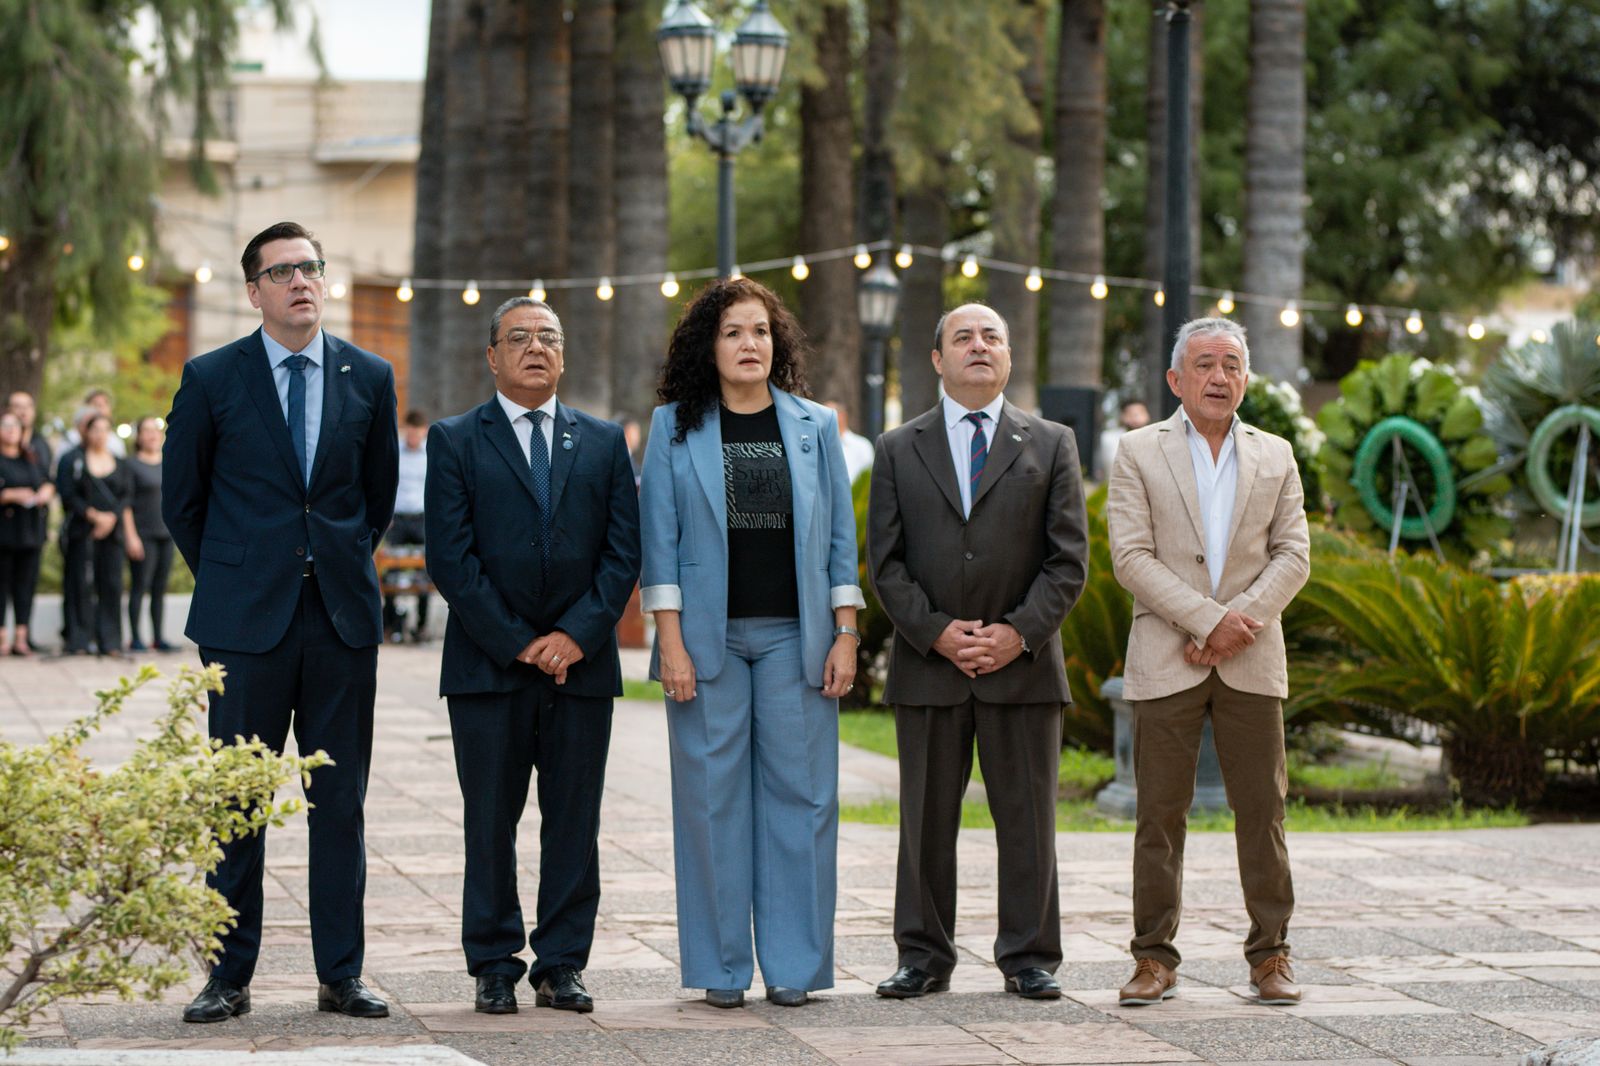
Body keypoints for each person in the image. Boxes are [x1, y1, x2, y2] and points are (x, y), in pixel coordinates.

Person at [163, 221, 399, 1023]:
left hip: (340, 621)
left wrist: (330, 563)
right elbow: (182, 502)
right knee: (238, 803)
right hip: (244, 625)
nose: (302, 281)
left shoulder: (370, 375)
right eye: (283, 271)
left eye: (311, 267)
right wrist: (237, 577)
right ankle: (227, 976)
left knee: (340, 804)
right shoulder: (211, 376)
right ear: (253, 291)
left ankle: (342, 974)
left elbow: (374, 500)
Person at [640, 277, 864, 1010]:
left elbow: (840, 542)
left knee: (804, 800)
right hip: (705, 644)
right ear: (708, 346)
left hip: (798, 640)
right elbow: (659, 544)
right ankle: (722, 967)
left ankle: (795, 966)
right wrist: (670, 644)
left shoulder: (815, 425)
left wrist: (846, 633)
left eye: (761, 331)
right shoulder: (673, 428)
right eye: (733, 331)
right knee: (711, 804)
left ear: (777, 343)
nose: (749, 344)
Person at [867, 303, 1088, 1002]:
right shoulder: (897, 447)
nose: (979, 346)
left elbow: (1068, 561)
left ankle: (1030, 957)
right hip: (928, 668)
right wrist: (936, 632)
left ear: (1009, 357)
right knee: (924, 824)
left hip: (1023, 668)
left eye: (992, 336)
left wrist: (1016, 634)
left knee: (1028, 822)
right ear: (938, 359)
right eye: (962, 337)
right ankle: (922, 956)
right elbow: (885, 564)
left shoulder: (1051, 443)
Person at [426, 297, 640, 1016]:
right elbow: (451, 559)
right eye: (518, 337)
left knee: (574, 821)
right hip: (488, 667)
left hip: (583, 665)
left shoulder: (603, 442)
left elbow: (623, 553)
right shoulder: (456, 440)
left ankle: (561, 964)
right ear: (492, 357)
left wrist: (576, 635)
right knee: (490, 820)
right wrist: (520, 641)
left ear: (564, 354)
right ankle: (493, 962)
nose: (535, 347)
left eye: (549, 336)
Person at [1105, 317, 1310, 1008]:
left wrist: (1234, 625)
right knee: (1159, 815)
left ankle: (1271, 955)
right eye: (1204, 364)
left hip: (1252, 656)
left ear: (1246, 378)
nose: (1218, 377)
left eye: (1231, 365)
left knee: (1264, 812)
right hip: (1167, 656)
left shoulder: (1277, 454)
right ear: (1175, 379)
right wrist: (1205, 621)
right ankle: (1153, 958)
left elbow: (1294, 555)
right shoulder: (1138, 450)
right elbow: (1130, 556)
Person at [57, 413, 136, 657]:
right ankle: (79, 639)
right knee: (80, 583)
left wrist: (111, 518)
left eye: (105, 429)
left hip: (113, 533)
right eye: (96, 429)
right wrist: (93, 516)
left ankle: (110, 640)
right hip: (82, 531)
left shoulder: (120, 463)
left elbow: (127, 496)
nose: (100, 434)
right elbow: (67, 494)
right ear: (86, 432)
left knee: (111, 584)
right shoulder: (73, 460)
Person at [0, 411, 50, 656]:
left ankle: (22, 637)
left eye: (15, 426)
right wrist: (10, 495)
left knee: (26, 585)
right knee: (1, 585)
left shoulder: (31, 457)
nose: (11, 430)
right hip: (4, 532)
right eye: (5, 425)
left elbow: (46, 480)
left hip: (29, 530)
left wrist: (45, 492)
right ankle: (2, 637)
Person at [127, 416, 175, 652]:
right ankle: (136, 638)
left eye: (155, 430)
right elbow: (125, 504)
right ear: (138, 436)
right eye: (146, 430)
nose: (152, 435)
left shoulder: (169, 461)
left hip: (166, 533)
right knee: (140, 585)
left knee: (159, 587)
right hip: (142, 534)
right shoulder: (131, 465)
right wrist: (131, 536)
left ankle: (158, 637)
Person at [383, 409, 431, 642]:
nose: (413, 437)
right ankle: (390, 622)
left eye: (417, 433)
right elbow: (387, 483)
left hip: (421, 518)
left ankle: (421, 624)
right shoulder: (395, 452)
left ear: (424, 432)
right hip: (398, 519)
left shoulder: (430, 453)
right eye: (410, 433)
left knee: (426, 570)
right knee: (390, 569)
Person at [1098, 399, 1150, 481]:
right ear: (1122, 416)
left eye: (1140, 413)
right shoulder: (1109, 439)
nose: (1136, 418)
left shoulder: (1155, 439)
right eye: (1131, 414)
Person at [826, 400, 875, 484]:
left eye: (827, 414)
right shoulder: (819, 445)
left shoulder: (862, 445)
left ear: (842, 416)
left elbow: (869, 477)